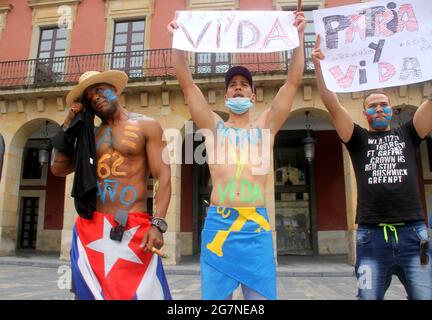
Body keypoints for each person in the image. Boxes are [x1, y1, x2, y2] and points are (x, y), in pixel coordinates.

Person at [168, 11, 306, 300]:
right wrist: (178, 41)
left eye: (244, 85)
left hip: (255, 226)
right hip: (220, 224)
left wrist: (297, 39)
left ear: (253, 96)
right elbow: (187, 84)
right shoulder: (213, 127)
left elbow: (292, 82)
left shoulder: (265, 126)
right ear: (226, 97)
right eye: (233, 85)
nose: (238, 87)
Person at [312, 35, 432, 300]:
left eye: (384, 105)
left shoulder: (409, 134)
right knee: (368, 297)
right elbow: (331, 105)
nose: (379, 109)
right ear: (365, 113)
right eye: (373, 106)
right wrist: (318, 66)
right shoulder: (358, 139)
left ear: (392, 110)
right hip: (371, 237)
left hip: (414, 234)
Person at [50, 70, 172, 300]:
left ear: (115, 90)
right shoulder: (91, 136)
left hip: (134, 228)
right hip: (92, 227)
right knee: (88, 295)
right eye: (89, 97)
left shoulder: (147, 126)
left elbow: (163, 176)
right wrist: (68, 124)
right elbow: (58, 169)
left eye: (99, 90)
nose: (95, 97)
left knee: (141, 294)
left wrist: (158, 224)